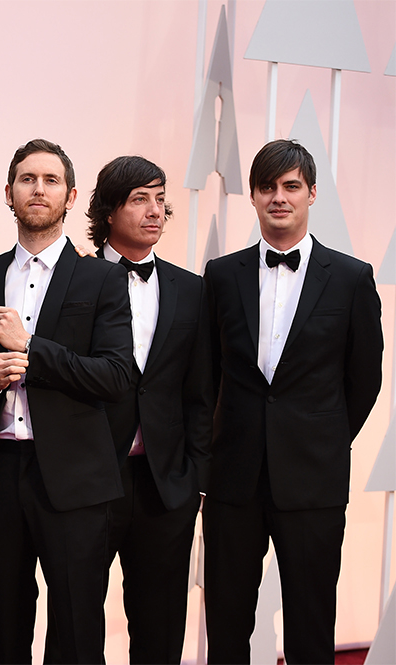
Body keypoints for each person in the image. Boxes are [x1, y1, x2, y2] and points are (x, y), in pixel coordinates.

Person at [0, 139, 133, 663]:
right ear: (8, 193)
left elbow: (115, 375)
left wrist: (32, 348)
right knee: (7, 627)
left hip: (76, 478)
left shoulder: (102, 278)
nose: (39, 189)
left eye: (51, 180)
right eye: (28, 179)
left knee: (77, 628)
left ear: (71, 196)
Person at [203, 139, 383, 664]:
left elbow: (363, 379)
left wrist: (320, 439)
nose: (278, 197)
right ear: (254, 197)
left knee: (310, 623)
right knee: (228, 623)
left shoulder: (351, 278)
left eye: (290, 187)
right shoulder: (221, 275)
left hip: (314, 479)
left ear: (311, 194)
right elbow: (206, 375)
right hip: (233, 477)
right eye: (267, 187)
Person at [84, 156, 212, 663]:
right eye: (140, 199)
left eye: (160, 199)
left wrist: (194, 478)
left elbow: (200, 392)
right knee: (79, 623)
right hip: (90, 480)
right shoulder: (76, 279)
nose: (155, 211)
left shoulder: (191, 288)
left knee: (159, 630)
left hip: (165, 485)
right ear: (109, 210)